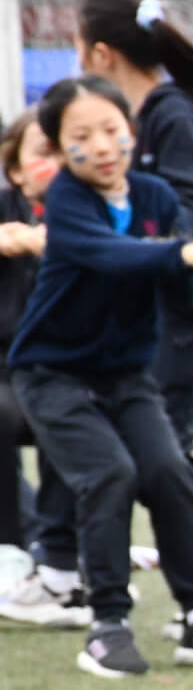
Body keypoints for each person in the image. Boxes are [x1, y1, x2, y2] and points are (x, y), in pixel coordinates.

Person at [8, 76, 193, 677]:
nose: (100, 145)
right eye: (81, 136)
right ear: (59, 145)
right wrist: (186, 254)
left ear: (132, 131)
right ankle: (107, 625)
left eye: (111, 130)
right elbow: (107, 254)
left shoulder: (154, 197)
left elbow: (178, 286)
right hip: (53, 376)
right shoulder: (66, 199)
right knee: (109, 475)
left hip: (126, 376)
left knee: (169, 471)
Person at [74, 0, 193, 621]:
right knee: (159, 448)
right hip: (160, 308)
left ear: (100, 52)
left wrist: (129, 243)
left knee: (166, 448)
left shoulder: (170, 114)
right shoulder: (136, 120)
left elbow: (191, 214)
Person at [0, 111, 58, 592]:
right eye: (43, 152)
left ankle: (66, 557)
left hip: (77, 379)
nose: (54, 164)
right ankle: (11, 550)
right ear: (15, 167)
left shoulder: (93, 216)